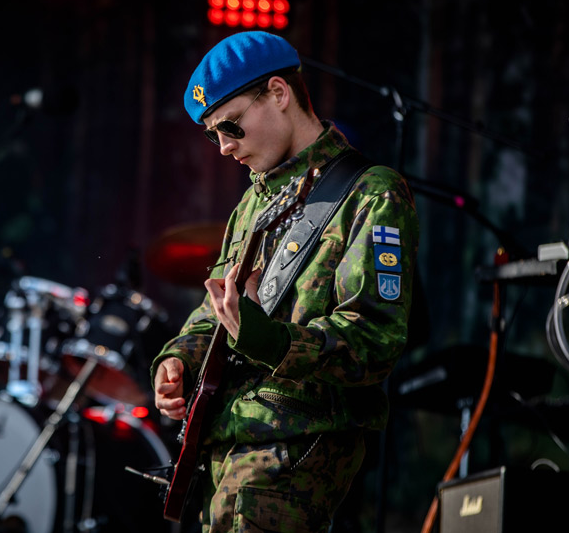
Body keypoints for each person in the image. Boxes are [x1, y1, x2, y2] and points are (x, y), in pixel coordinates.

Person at [151, 31, 419, 532]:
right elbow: (215, 310)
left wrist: (270, 341)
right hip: (226, 452)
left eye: (230, 125)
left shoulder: (370, 193)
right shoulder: (253, 202)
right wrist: (178, 360)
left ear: (278, 93)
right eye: (212, 135)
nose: (224, 147)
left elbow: (375, 342)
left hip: (294, 453)